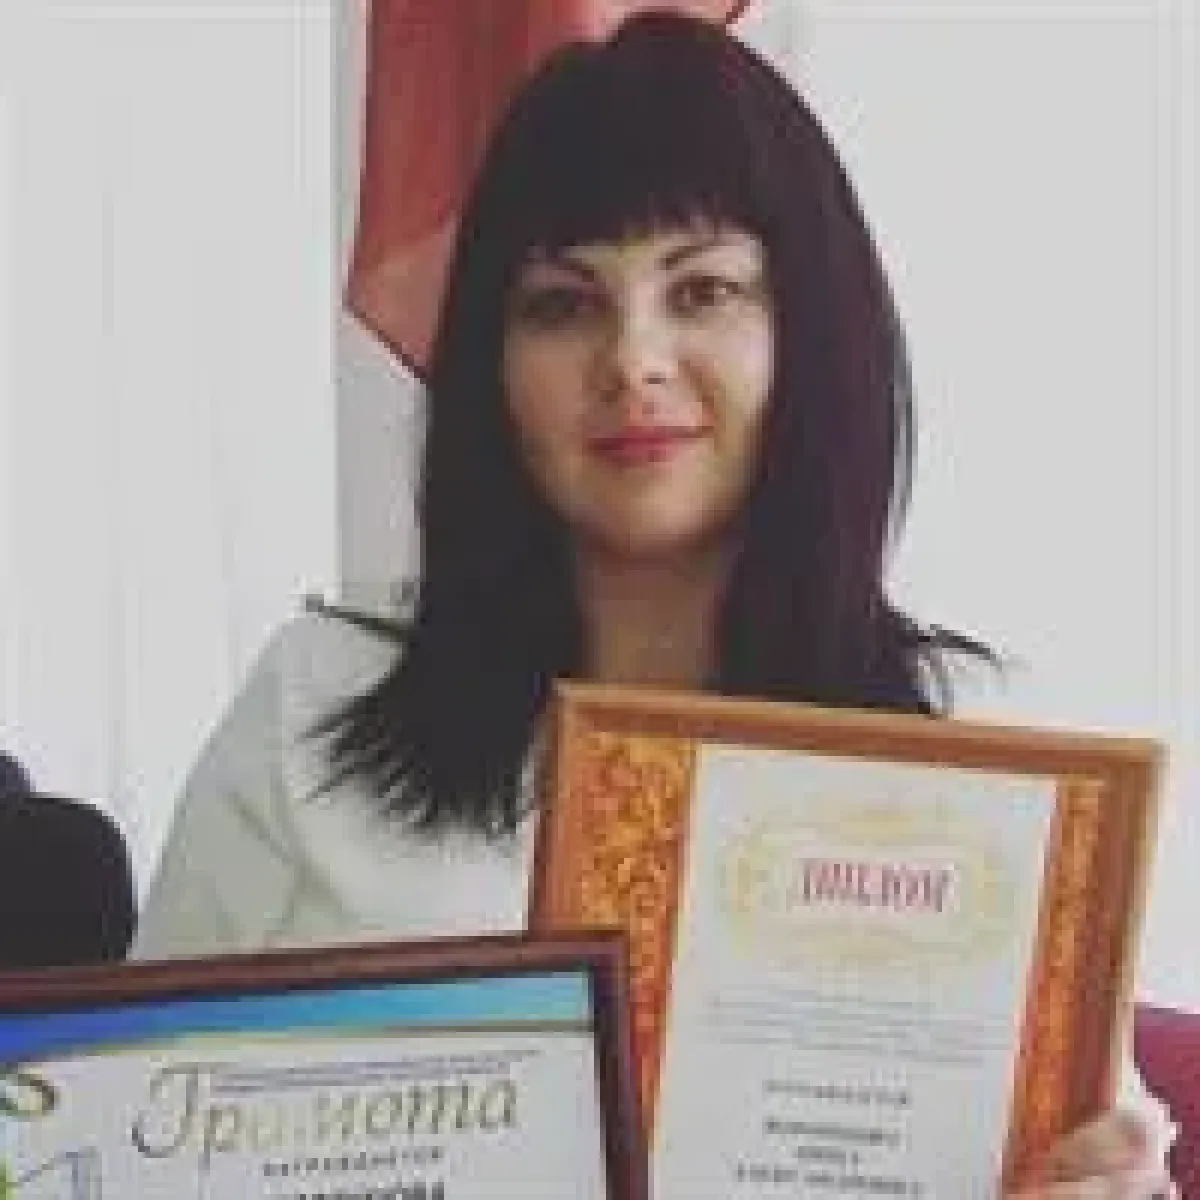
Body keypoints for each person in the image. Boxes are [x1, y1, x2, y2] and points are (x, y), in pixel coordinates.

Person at [133, 14, 1175, 1195]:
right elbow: (125, 1136)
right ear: (490, 366)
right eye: (562, 304)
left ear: (812, 334)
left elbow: (1083, 1147)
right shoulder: (314, 704)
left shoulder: (984, 748)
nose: (633, 358)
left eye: (704, 291)